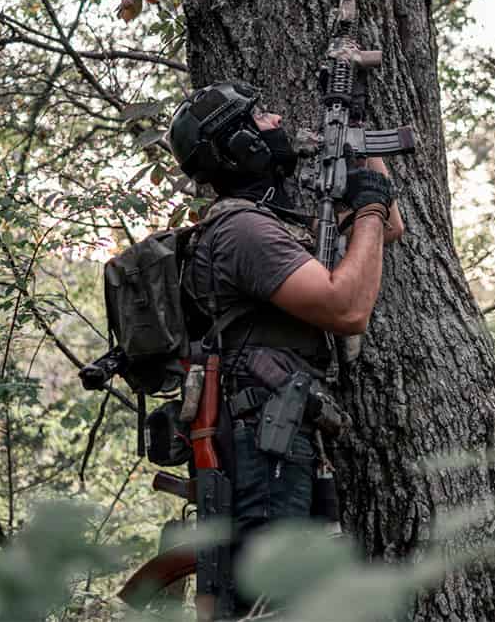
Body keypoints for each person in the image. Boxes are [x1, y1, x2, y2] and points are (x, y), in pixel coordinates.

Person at [167, 80, 403, 613]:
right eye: (259, 118)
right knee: (274, 604)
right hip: (262, 445)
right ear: (241, 148)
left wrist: (361, 143)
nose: (275, 119)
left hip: (278, 435)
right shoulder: (245, 232)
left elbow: (386, 228)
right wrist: (365, 209)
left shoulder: (269, 225)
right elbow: (347, 309)